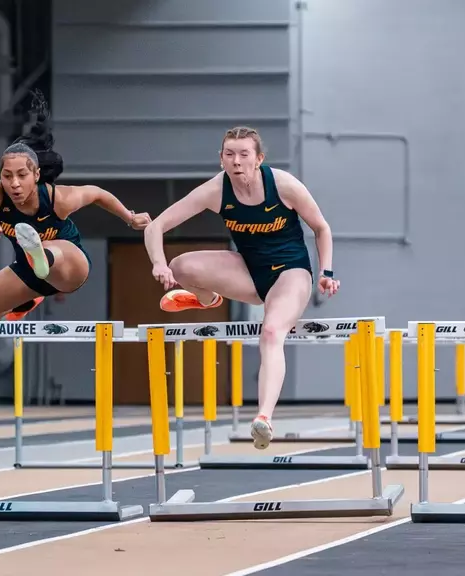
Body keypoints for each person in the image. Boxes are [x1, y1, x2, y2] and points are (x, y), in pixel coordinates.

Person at [142, 126, 339, 450]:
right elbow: (156, 226)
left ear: (259, 159)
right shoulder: (216, 191)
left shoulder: (284, 185)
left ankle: (263, 417)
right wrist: (159, 263)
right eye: (230, 154)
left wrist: (326, 271)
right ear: (221, 159)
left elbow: (321, 227)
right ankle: (204, 299)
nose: (237, 161)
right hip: (248, 271)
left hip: (291, 273)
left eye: (244, 154)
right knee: (181, 266)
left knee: (272, 331)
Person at [0, 91, 150, 321]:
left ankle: (42, 257)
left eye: (21, 175)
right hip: (29, 274)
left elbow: (96, 193)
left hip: (69, 267)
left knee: (46, 247)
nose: (14, 184)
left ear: (36, 175)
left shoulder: (58, 198)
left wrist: (129, 217)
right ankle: (26, 297)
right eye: (7, 176)